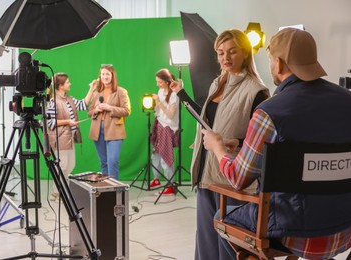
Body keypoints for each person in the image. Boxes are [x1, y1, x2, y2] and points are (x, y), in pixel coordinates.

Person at [202, 28, 351, 259]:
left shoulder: (269, 113)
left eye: (270, 59)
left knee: (220, 217)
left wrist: (218, 148)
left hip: (291, 233)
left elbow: (238, 178)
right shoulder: (347, 101)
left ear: (278, 64)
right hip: (344, 228)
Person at [170, 29, 269, 259]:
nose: (226, 58)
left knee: (229, 245)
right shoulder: (217, 83)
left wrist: (238, 142)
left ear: (245, 53)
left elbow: (265, 141)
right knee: (206, 243)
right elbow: (210, 122)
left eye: (232, 51)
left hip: (232, 179)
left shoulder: (256, 91)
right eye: (221, 52)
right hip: (207, 175)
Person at [47, 73, 94, 200]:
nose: (70, 84)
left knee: (70, 165)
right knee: (62, 166)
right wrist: (68, 122)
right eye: (67, 82)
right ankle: (57, 193)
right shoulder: (52, 101)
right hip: (60, 138)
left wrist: (91, 88)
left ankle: (60, 189)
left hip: (70, 137)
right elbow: (50, 122)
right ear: (61, 86)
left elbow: (83, 104)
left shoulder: (69, 98)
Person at [88, 65, 131, 180]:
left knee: (112, 162)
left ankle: (114, 190)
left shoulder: (121, 91)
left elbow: (127, 111)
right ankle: (106, 188)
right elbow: (89, 111)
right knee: (104, 162)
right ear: (100, 76)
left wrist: (110, 107)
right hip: (97, 131)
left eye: (107, 74)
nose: (105, 76)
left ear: (112, 75)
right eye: (103, 74)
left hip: (114, 130)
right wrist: (95, 110)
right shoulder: (96, 92)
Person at [149, 69, 179, 195]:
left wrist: (159, 102)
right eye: (157, 82)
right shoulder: (160, 91)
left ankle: (170, 184)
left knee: (165, 157)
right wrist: (155, 104)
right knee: (155, 155)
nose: (158, 85)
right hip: (159, 125)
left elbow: (171, 115)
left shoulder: (174, 95)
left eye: (160, 82)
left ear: (167, 82)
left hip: (168, 127)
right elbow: (158, 111)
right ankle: (157, 178)